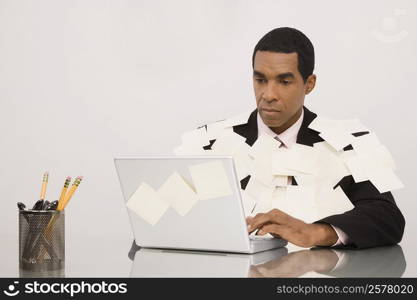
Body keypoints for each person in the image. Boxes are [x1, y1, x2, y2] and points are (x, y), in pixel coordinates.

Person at [201, 27, 405, 249]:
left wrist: (316, 232)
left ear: (309, 84)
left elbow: (388, 219)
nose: (268, 95)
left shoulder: (346, 143)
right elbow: (168, 214)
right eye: (260, 79)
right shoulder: (211, 143)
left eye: (284, 82)